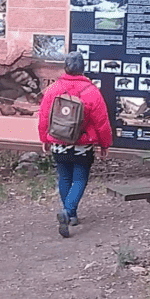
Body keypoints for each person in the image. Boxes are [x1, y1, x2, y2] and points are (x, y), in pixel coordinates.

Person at [38, 51, 112, 237]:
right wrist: (105, 145)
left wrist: (44, 138)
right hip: (82, 144)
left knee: (64, 177)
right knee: (79, 179)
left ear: (65, 67)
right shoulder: (92, 91)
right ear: (83, 69)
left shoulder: (53, 89)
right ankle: (68, 211)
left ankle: (70, 215)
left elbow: (44, 117)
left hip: (59, 142)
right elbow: (102, 122)